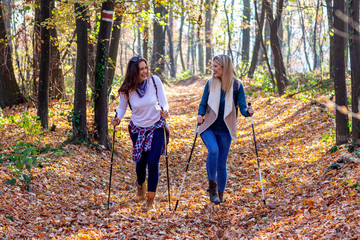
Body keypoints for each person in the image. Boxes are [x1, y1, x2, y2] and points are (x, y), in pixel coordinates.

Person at [111, 56, 169, 210]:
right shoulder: (126, 90)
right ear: (133, 72)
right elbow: (122, 108)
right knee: (140, 163)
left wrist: (165, 110)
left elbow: (163, 101)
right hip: (138, 129)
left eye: (145, 68)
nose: (145, 72)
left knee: (153, 162)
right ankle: (140, 184)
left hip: (157, 126)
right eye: (141, 69)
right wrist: (117, 118)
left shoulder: (154, 81)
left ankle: (150, 200)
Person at [197, 54, 254, 204]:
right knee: (213, 151)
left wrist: (248, 112)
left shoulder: (237, 86)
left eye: (215, 66)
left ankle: (220, 197)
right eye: (213, 66)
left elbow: (242, 108)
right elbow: (203, 103)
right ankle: (212, 190)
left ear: (224, 68)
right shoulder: (210, 83)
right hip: (209, 126)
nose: (213, 69)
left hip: (225, 129)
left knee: (221, 164)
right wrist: (200, 115)